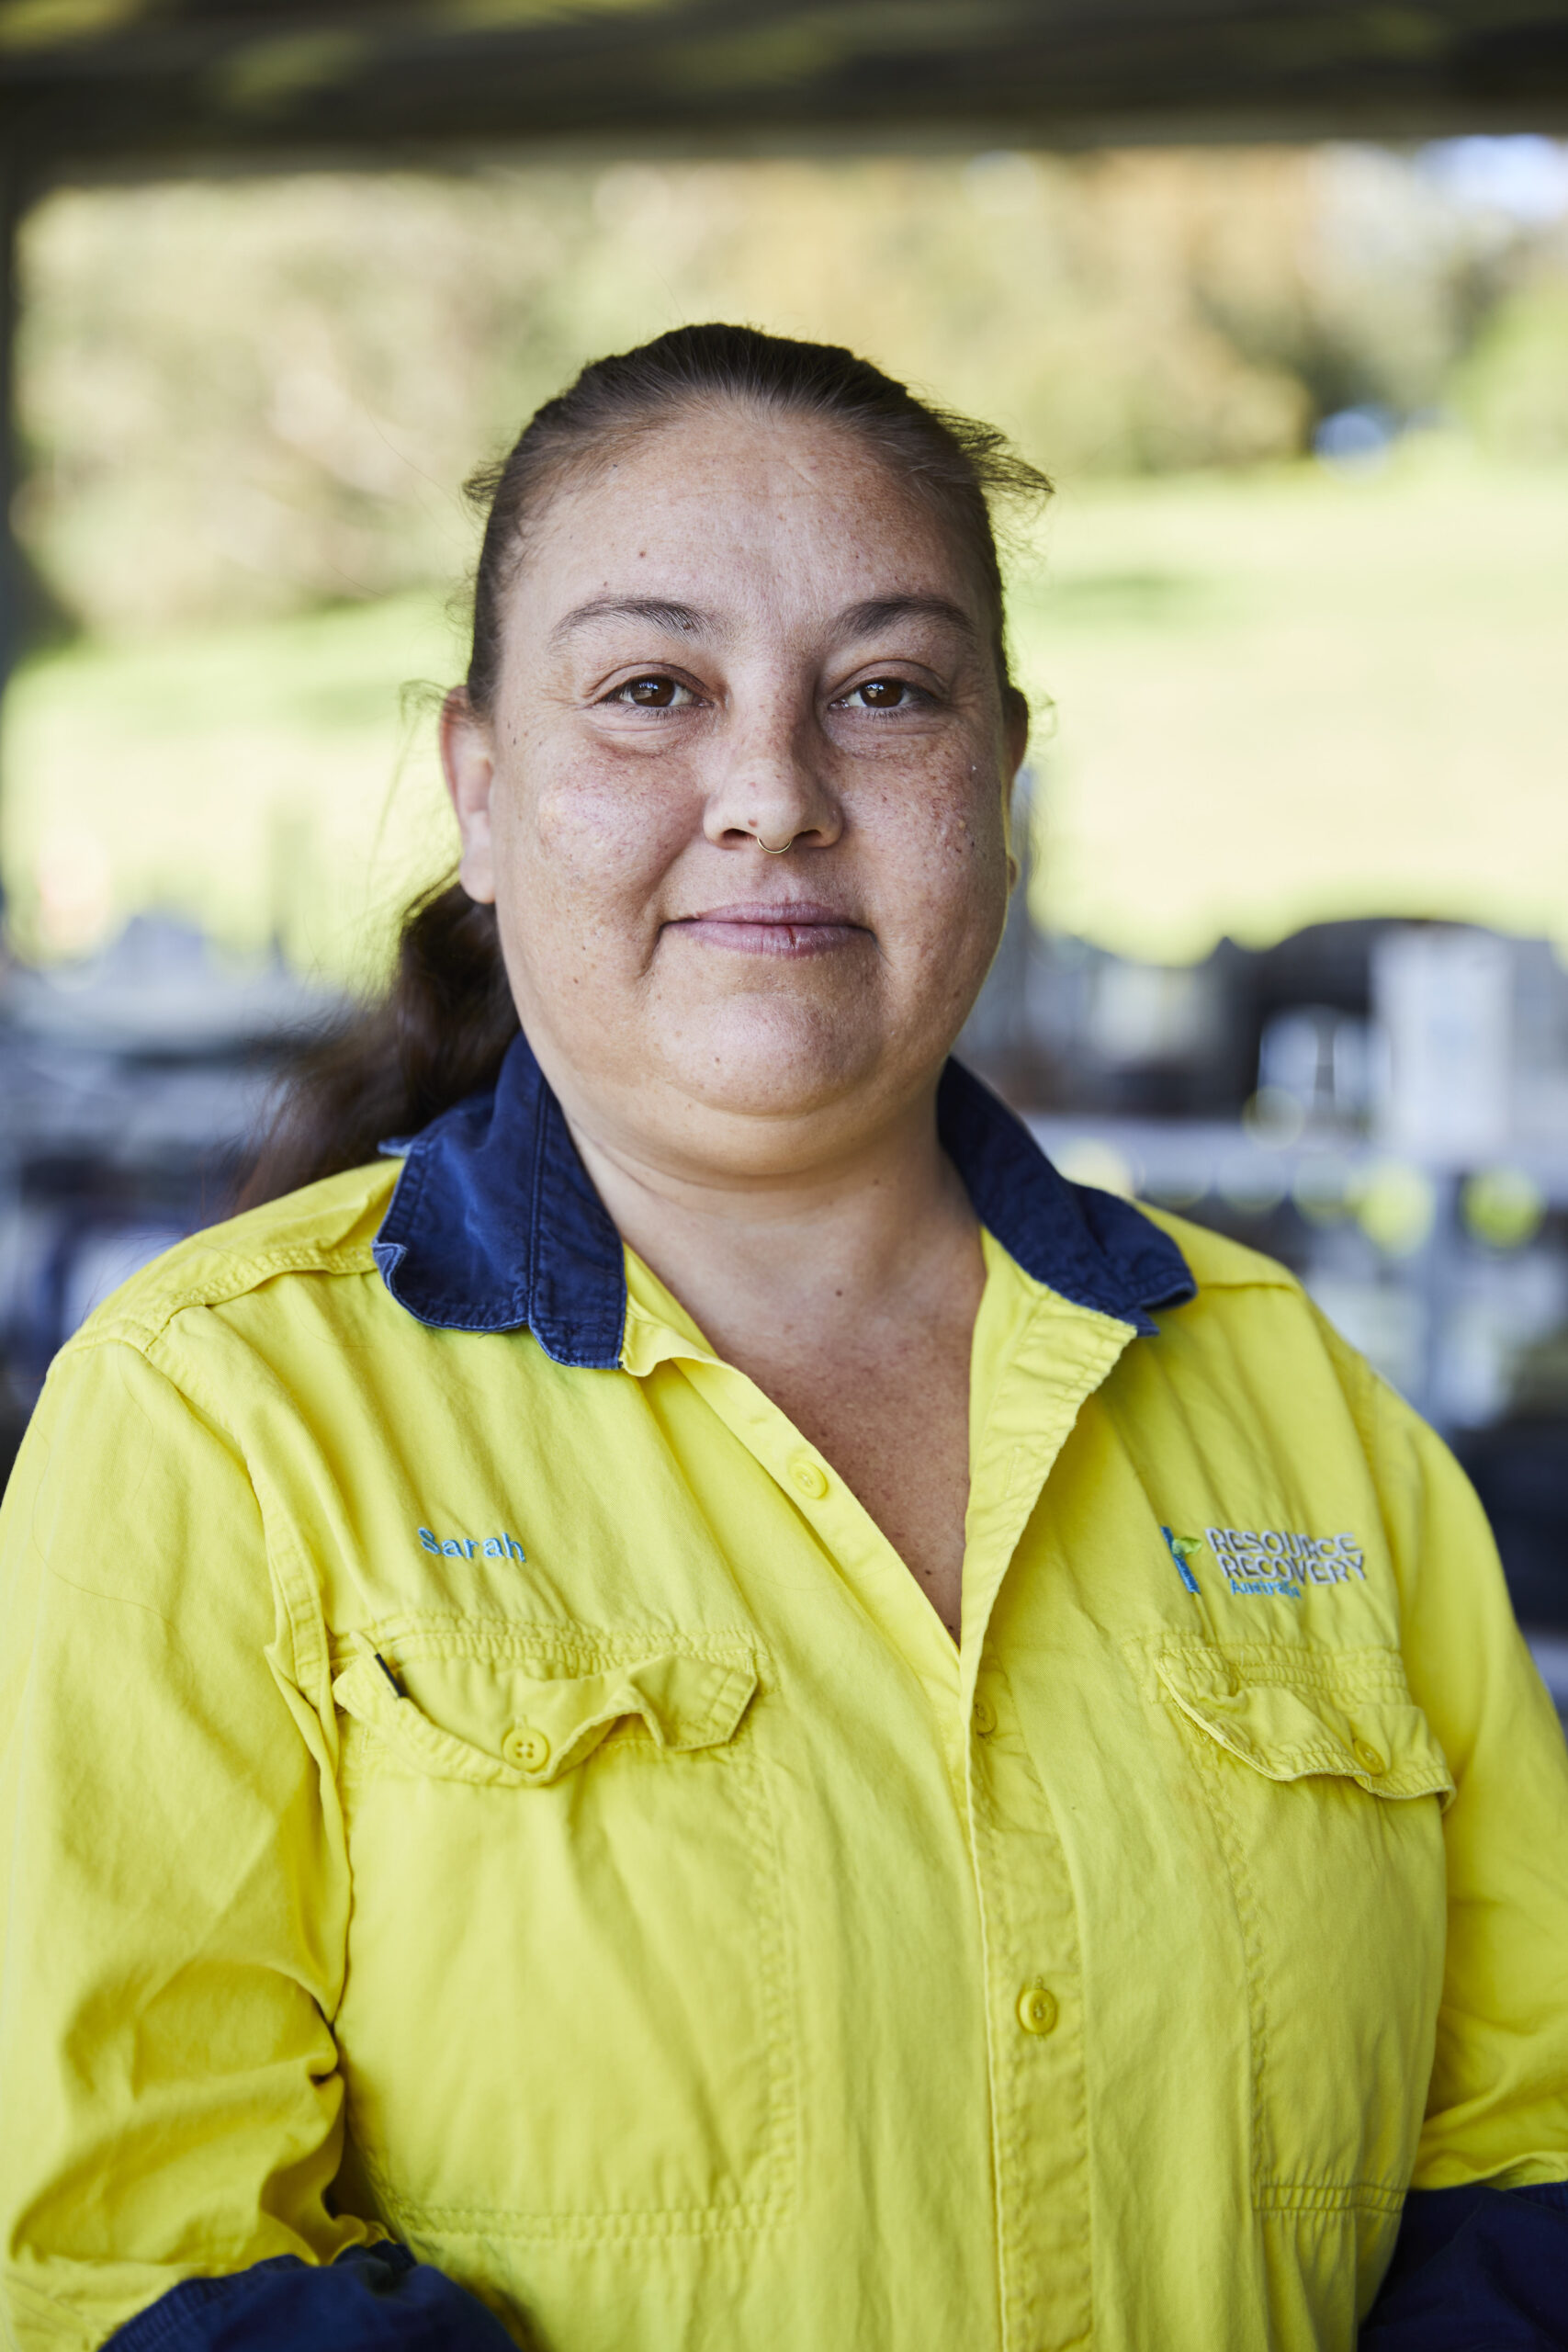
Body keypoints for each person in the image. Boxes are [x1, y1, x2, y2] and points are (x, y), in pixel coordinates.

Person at [1, 323, 1565, 2352]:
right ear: (480, 789)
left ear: (999, 776)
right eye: (652, 690)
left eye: (883, 693)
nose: (771, 793)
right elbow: (131, 2264)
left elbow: (1523, 2147)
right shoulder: (219, 1422)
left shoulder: (1289, 1398)